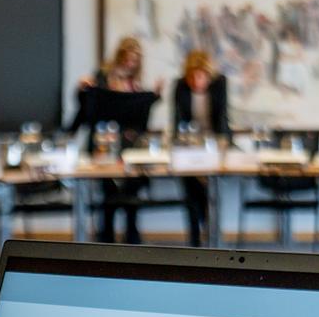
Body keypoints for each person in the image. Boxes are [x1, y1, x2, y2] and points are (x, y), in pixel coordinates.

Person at [80, 37, 161, 243]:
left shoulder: (136, 85)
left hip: (130, 149)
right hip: (103, 147)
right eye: (127, 59)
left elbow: (141, 121)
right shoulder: (102, 77)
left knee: (131, 197)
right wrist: (83, 91)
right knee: (109, 197)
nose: (129, 64)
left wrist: (153, 97)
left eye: (134, 61)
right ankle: (106, 241)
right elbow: (87, 111)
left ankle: (132, 241)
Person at [173, 50, 230, 246]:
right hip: (188, 147)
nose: (196, 81)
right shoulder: (180, 86)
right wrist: (178, 144)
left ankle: (212, 237)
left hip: (213, 147)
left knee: (210, 195)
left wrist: (222, 145)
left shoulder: (219, 84)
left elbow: (222, 117)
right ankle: (194, 239)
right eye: (192, 76)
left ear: (208, 74)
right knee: (191, 194)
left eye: (201, 76)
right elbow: (177, 121)